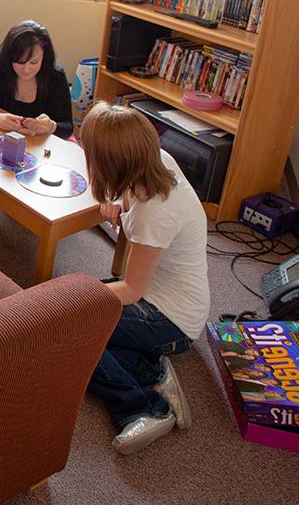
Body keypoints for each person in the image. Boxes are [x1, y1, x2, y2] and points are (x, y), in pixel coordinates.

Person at [79, 102, 211, 455]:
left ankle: (143, 407)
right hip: (165, 299)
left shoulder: (156, 212)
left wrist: (81, 303)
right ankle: (152, 370)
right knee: (82, 311)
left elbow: (132, 290)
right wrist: (117, 203)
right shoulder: (158, 162)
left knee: (78, 329)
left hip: (169, 319)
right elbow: (125, 199)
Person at [0, 20, 73, 138]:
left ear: (44, 56)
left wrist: (50, 126)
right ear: (9, 56)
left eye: (34, 62)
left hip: (40, 144)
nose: (26, 69)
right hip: (3, 136)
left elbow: (67, 128)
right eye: (19, 62)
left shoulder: (55, 75)